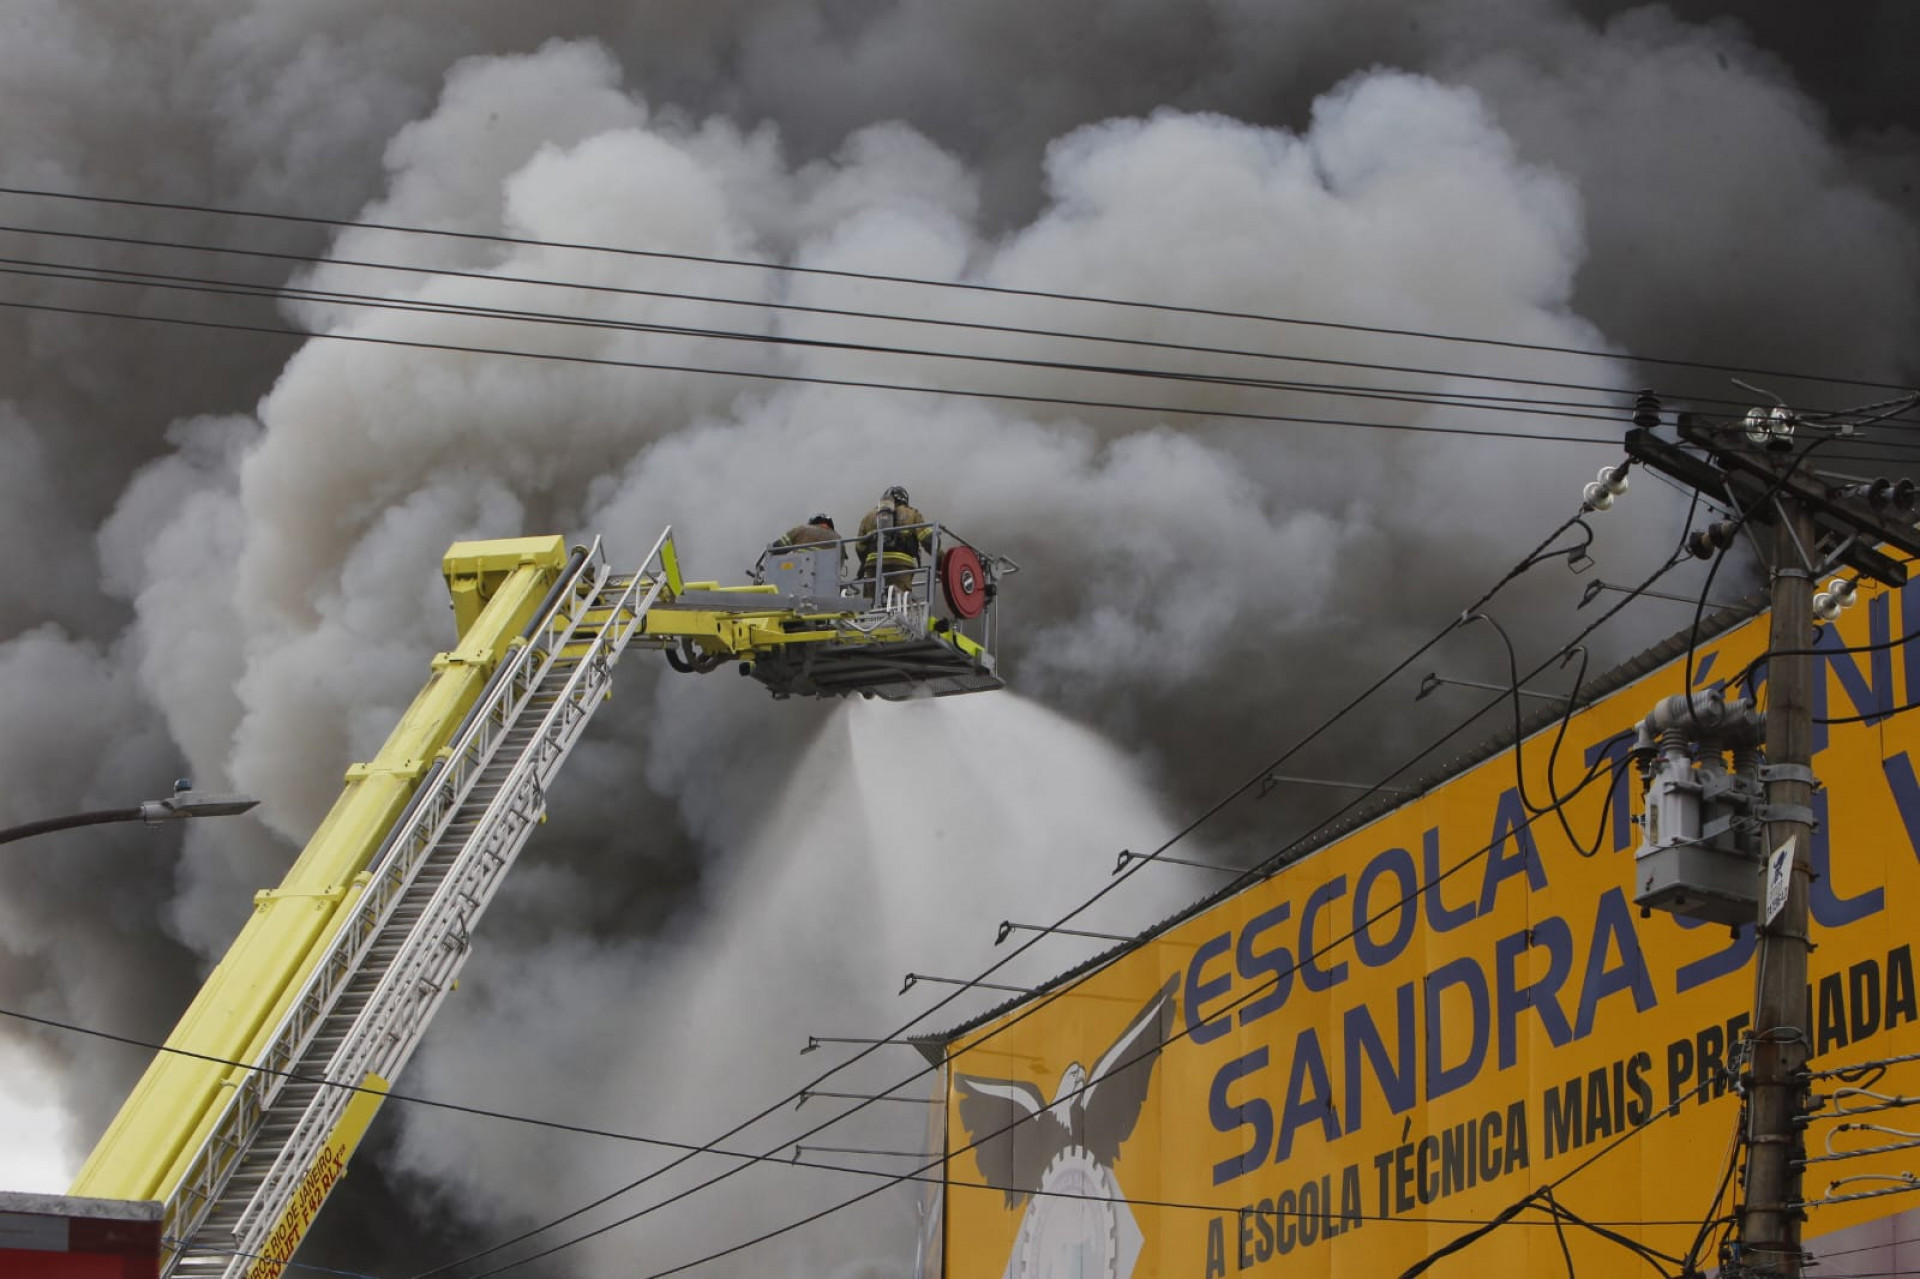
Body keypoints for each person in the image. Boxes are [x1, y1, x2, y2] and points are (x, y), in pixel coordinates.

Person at [857, 485, 932, 604]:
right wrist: (942, 560)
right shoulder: (912, 513)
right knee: (899, 603)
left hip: (873, 564)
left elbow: (860, 547)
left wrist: (867, 562)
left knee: (870, 604)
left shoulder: (869, 516)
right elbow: (928, 540)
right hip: (900, 564)